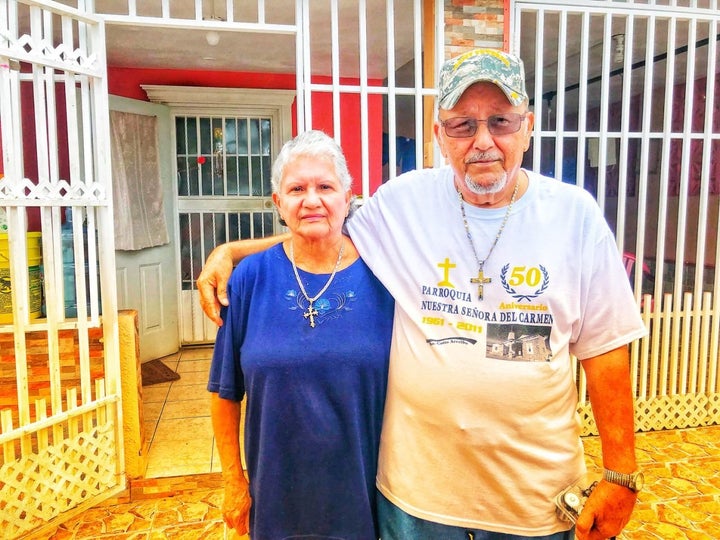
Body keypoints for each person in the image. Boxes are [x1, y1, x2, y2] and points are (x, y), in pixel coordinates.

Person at [199, 49, 647, 540]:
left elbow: (605, 350)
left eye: (500, 121)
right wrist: (232, 251)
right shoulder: (403, 202)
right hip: (416, 504)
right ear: (438, 134)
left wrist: (620, 476)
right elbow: (321, 223)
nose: (483, 141)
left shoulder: (574, 216)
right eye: (462, 125)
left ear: (527, 128)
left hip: (532, 505)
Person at [207, 130, 394, 539]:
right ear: (279, 203)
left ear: (348, 197)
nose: (311, 200)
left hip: (367, 492)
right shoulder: (248, 281)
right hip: (275, 494)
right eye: (296, 189)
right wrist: (232, 481)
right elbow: (224, 392)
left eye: (325, 186)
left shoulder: (385, 277)